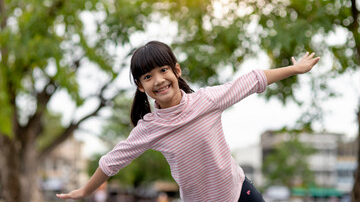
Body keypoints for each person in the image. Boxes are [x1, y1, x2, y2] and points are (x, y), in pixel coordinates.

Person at [56, 41, 320, 202]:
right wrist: (85, 190)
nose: (158, 80)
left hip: (240, 194)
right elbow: (112, 161)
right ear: (140, 86)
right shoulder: (149, 128)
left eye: (163, 70)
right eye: (147, 77)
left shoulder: (206, 101)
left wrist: (294, 69)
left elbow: (251, 80)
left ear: (176, 70)